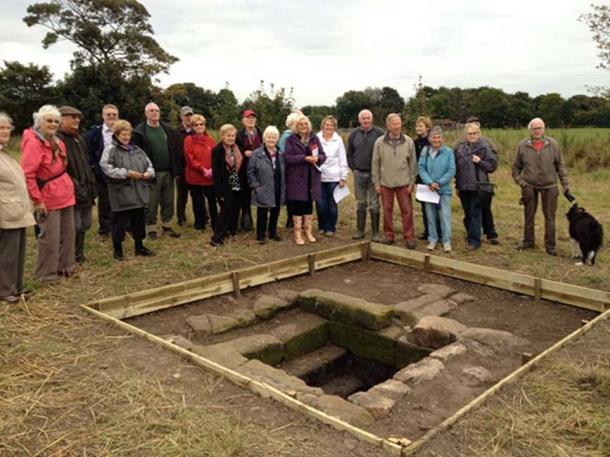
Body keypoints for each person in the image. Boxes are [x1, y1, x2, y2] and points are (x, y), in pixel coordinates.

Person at [20, 105, 76, 281]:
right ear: (39, 122)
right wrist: (37, 200)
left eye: (56, 121)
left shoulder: (57, 141)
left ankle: (66, 268)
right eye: (49, 121)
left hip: (65, 193)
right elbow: (28, 174)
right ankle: (46, 275)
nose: (53, 124)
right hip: (48, 196)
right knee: (50, 238)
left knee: (68, 234)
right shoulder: (33, 143)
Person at [512, 117, 572, 256]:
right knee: (529, 215)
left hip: (550, 186)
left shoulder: (553, 144)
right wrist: (522, 183)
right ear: (530, 130)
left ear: (543, 129)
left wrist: (566, 186)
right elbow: (515, 168)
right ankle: (528, 241)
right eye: (534, 128)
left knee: (550, 217)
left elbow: (561, 167)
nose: (537, 131)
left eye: (540, 128)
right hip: (529, 186)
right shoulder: (522, 146)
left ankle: (550, 245)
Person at [100, 120, 155, 260]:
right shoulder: (110, 150)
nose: (126, 137)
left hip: (139, 194)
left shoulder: (137, 149)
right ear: (117, 135)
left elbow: (149, 165)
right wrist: (126, 173)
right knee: (119, 224)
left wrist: (148, 173)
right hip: (121, 194)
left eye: (128, 134)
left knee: (139, 223)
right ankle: (118, 251)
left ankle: (139, 247)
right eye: (123, 134)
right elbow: (106, 168)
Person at [132, 102, 181, 239]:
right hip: (151, 173)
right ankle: (151, 229)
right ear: (146, 113)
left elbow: (175, 150)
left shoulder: (167, 129)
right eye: (151, 110)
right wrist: (143, 172)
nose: (155, 113)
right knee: (151, 202)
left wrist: (175, 170)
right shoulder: (139, 131)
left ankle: (167, 226)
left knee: (168, 201)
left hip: (168, 172)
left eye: (157, 110)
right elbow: (136, 153)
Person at [0, 112, 35, 302]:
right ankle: (5, 290)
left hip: (16, 210)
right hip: (5, 212)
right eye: (1, 128)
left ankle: (16, 287)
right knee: (7, 253)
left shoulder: (5, 153)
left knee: (18, 251)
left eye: (8, 128)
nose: (6, 131)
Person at [57, 106, 97, 263]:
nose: (77, 120)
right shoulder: (58, 139)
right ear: (62, 119)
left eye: (78, 117)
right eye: (72, 117)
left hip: (86, 188)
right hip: (71, 189)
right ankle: (67, 257)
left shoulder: (79, 138)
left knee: (85, 224)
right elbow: (60, 168)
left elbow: (86, 162)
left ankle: (79, 254)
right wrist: (74, 185)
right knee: (73, 225)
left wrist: (90, 182)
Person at [372, 113, 418, 249]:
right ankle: (389, 236)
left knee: (407, 211)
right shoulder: (380, 142)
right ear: (388, 126)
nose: (397, 126)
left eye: (399, 123)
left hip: (404, 184)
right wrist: (376, 183)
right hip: (385, 183)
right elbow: (375, 163)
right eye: (394, 124)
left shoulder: (408, 141)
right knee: (387, 211)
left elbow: (413, 164)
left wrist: (411, 182)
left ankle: (409, 237)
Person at [457, 116, 500, 244]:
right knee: (468, 213)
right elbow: (456, 167)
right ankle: (472, 234)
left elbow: (492, 166)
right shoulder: (460, 148)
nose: (472, 135)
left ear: (479, 133)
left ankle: (475, 240)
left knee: (477, 213)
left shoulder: (485, 147)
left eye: (475, 133)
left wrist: (480, 161)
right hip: (464, 186)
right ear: (466, 135)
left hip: (479, 186)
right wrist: (457, 185)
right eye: (470, 133)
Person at [284, 114, 326, 245]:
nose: (303, 126)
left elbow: (323, 155)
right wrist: (304, 158)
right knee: (297, 206)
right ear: (296, 126)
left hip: (311, 177)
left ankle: (308, 231)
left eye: (305, 124)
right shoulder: (290, 139)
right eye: (300, 124)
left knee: (308, 205)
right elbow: (288, 158)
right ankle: (297, 233)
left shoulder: (314, 138)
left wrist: (318, 158)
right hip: (296, 178)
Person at [346, 109, 384, 241]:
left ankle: (375, 233)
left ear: (371, 119)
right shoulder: (354, 134)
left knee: (374, 203)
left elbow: (384, 153)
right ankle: (359, 231)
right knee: (361, 203)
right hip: (359, 174)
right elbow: (349, 154)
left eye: (368, 118)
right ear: (360, 120)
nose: (366, 120)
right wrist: (354, 168)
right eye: (363, 118)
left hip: (374, 175)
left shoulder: (379, 133)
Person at [418, 126, 456, 253]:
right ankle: (433, 239)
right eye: (434, 137)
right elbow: (421, 168)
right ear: (429, 139)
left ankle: (446, 241)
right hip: (429, 190)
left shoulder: (448, 152)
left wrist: (439, 182)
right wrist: (429, 182)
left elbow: (451, 170)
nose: (436, 139)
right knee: (430, 215)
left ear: (442, 138)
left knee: (445, 216)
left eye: (439, 137)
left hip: (444, 189)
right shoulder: (425, 151)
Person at [247, 126, 286, 244]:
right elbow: (250, 171)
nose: (271, 140)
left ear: (277, 139)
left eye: (274, 137)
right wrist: (256, 186)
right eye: (269, 137)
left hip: (278, 186)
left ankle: (272, 232)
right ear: (264, 138)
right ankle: (260, 235)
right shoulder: (256, 154)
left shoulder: (280, 154)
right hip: (263, 187)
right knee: (262, 212)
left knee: (275, 210)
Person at [85, 104, 119, 236]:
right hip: (102, 173)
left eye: (114, 114)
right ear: (103, 116)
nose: (111, 117)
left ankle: (122, 226)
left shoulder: (123, 131)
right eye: (108, 114)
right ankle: (105, 229)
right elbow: (89, 153)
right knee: (105, 202)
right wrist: (96, 169)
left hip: (121, 171)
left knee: (122, 200)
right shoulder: (94, 133)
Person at [210, 124, 245, 246]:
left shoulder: (239, 147)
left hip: (238, 182)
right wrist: (219, 193)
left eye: (233, 135)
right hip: (225, 185)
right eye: (228, 135)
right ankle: (216, 237)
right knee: (225, 210)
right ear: (222, 136)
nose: (231, 138)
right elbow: (216, 173)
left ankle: (231, 232)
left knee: (235, 208)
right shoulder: (217, 150)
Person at [183, 114, 217, 231]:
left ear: (204, 125)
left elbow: (216, 156)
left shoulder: (210, 140)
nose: (199, 126)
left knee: (212, 200)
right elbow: (190, 158)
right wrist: (202, 169)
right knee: (198, 201)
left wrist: (212, 169)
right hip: (195, 176)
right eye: (196, 125)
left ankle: (215, 223)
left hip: (210, 176)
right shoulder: (188, 140)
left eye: (201, 124)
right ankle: (200, 224)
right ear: (192, 126)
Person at [316, 115, 348, 237]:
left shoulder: (338, 140)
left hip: (334, 177)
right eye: (327, 125)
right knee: (320, 204)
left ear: (334, 127)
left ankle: (331, 227)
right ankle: (321, 226)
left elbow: (342, 158)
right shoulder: (316, 138)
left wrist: (343, 177)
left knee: (332, 204)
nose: (328, 127)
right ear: (323, 126)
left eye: (331, 125)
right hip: (319, 176)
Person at [235, 109, 261, 231]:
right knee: (244, 196)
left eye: (253, 118)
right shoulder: (239, 134)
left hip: (258, 169)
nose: (251, 120)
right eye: (248, 118)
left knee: (260, 195)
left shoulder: (259, 132)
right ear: (243, 120)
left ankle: (262, 222)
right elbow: (235, 148)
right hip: (244, 170)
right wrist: (244, 152)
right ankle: (246, 221)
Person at [413, 116, 439, 241]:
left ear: (427, 128)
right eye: (417, 126)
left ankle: (437, 231)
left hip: (431, 178)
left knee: (434, 206)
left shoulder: (432, 142)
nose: (418, 128)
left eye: (421, 126)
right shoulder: (415, 143)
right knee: (424, 206)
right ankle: (428, 231)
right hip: (419, 179)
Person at [279, 111, 302, 228]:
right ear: (291, 124)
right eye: (296, 123)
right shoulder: (287, 136)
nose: (298, 126)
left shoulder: (296, 135)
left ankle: (295, 219)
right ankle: (290, 220)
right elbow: (283, 154)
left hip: (297, 170)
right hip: (289, 170)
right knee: (291, 195)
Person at [175, 105, 197, 227]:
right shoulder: (175, 132)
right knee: (182, 195)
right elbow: (173, 151)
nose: (189, 118)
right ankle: (181, 217)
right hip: (182, 168)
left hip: (194, 168)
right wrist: (177, 170)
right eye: (186, 115)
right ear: (181, 117)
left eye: (190, 115)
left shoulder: (197, 130)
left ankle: (201, 216)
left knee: (196, 194)